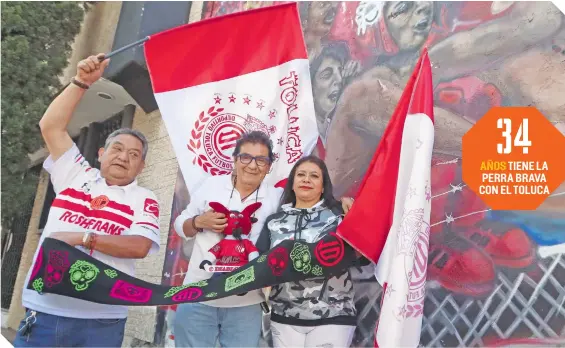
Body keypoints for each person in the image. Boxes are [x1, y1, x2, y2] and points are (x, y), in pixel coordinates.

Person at [14, 54, 161, 347]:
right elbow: (51, 127)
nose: (124, 157)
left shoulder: (144, 198)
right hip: (44, 313)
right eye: (117, 149)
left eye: (134, 155)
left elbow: (140, 246)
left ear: (141, 167)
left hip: (102, 320)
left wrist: (83, 238)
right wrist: (82, 82)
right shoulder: (74, 173)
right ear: (101, 154)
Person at [173, 131, 354, 347]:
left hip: (246, 302)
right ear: (235, 160)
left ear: (269, 167)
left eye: (261, 160)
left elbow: (309, 203)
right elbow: (180, 225)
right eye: (246, 157)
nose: (252, 165)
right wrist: (197, 222)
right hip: (198, 294)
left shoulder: (277, 197)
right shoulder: (210, 186)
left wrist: (343, 204)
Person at [255, 155, 358, 348]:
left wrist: (353, 217)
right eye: (300, 174)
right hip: (283, 317)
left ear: (323, 186)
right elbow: (260, 264)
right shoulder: (274, 222)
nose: (306, 179)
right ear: (292, 184)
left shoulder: (340, 216)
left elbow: (362, 257)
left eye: (314, 176)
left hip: (333, 315)